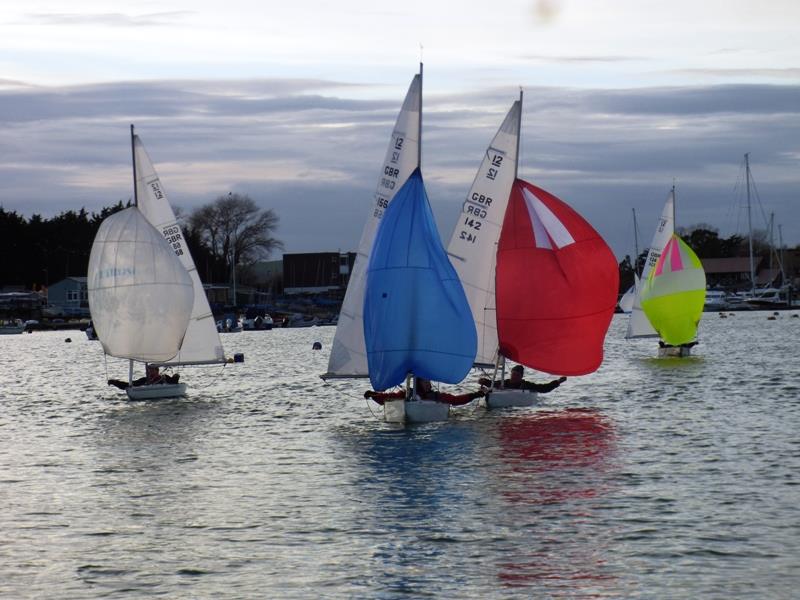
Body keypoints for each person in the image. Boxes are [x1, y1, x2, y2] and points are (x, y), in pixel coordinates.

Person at [364, 377, 486, 406]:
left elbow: (455, 400)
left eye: (428, 381)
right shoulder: (407, 395)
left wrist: (474, 395)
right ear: (418, 383)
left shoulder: (437, 396)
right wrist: (373, 395)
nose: (428, 383)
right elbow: (387, 398)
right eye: (425, 381)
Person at [478, 364, 566, 393]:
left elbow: (544, 388)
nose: (514, 376)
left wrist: (558, 382)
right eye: (513, 374)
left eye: (516, 375)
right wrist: (483, 381)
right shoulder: (504, 382)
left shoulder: (526, 384)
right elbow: (491, 383)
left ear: (521, 376)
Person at [108, 365, 180, 390]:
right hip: (146, 386)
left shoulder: (164, 377)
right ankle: (114, 382)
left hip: (161, 389)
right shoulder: (145, 379)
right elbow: (132, 384)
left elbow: (174, 381)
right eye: (149, 371)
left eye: (151, 370)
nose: (149, 372)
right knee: (129, 384)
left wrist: (176, 376)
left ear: (157, 371)